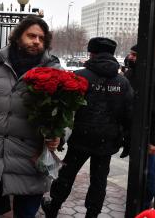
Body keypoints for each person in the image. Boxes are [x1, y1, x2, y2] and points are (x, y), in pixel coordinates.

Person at [0, 16, 61, 218]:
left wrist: (59, 134)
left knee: (26, 214)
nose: (36, 41)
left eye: (41, 38)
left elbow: (64, 113)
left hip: (31, 159)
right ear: (17, 37)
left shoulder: (53, 70)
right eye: (31, 36)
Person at [42, 37, 133, 218]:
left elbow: (64, 108)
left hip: (80, 138)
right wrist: (127, 139)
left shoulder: (80, 76)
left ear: (92, 53)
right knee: (99, 181)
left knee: (67, 174)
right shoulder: (122, 82)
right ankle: (92, 213)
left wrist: (59, 134)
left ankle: (54, 206)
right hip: (107, 140)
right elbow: (128, 114)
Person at [124, 44, 155, 209]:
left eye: (134, 55)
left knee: (148, 175)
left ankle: (145, 205)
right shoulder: (131, 73)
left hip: (148, 135)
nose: (130, 57)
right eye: (130, 54)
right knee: (137, 172)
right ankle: (137, 200)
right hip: (134, 133)